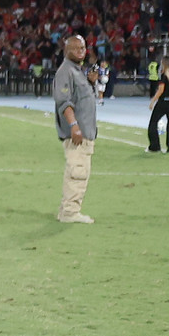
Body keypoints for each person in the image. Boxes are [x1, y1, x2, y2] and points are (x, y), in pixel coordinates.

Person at [54, 34, 99, 223]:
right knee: (77, 173)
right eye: (77, 48)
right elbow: (64, 102)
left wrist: (91, 82)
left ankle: (66, 209)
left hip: (85, 132)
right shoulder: (66, 71)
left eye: (83, 48)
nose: (81, 52)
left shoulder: (78, 71)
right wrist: (74, 126)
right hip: (77, 134)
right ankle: (71, 213)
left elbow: (84, 98)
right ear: (67, 50)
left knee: (78, 172)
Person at [148, 53, 169, 154]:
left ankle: (155, 147)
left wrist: (153, 101)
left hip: (165, 101)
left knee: (153, 122)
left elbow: (161, 90)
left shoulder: (164, 75)